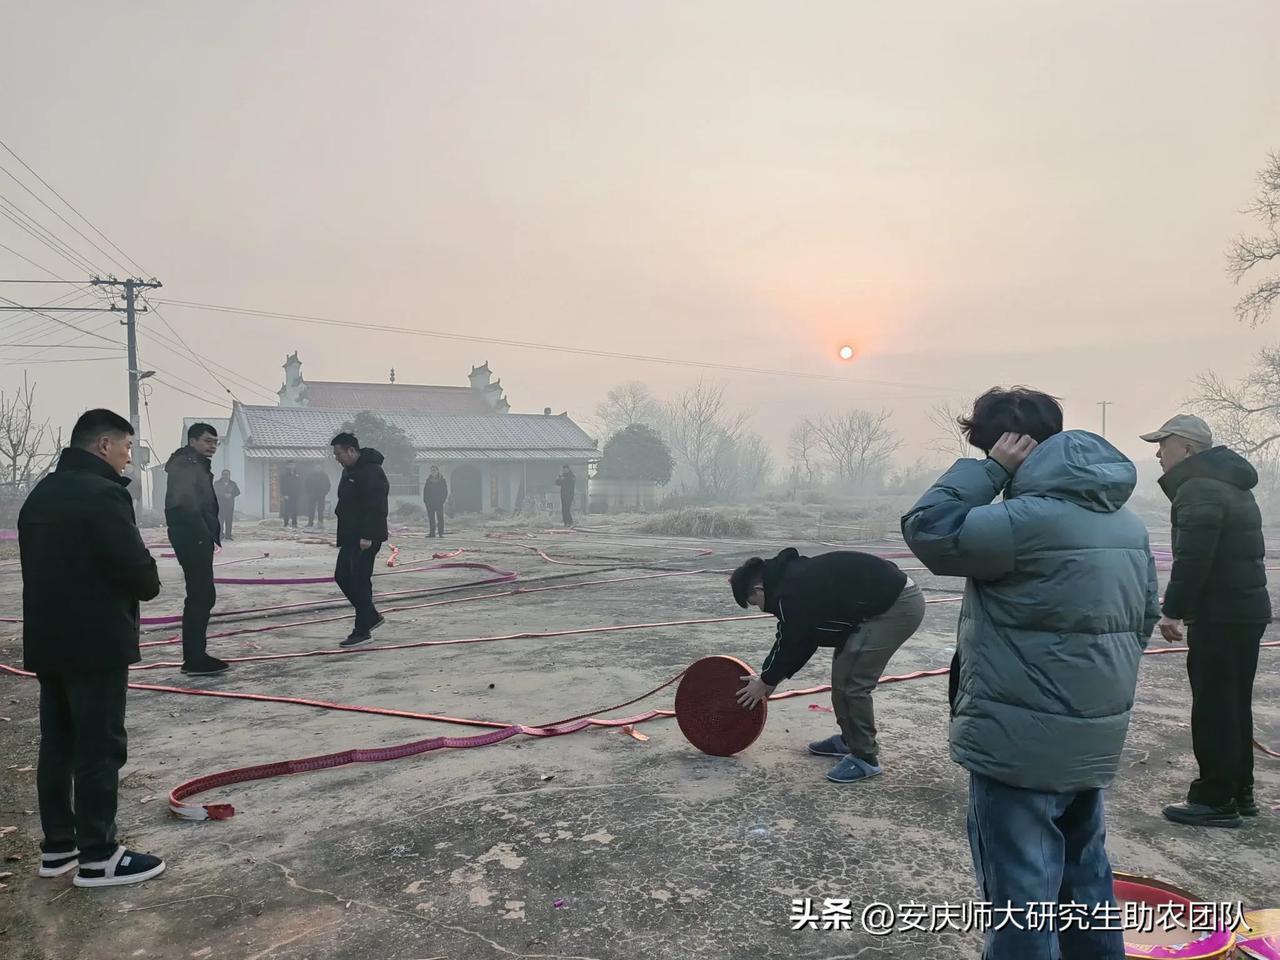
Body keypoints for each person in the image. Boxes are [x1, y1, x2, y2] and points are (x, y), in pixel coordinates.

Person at [901, 386, 1158, 960]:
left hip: (1019, 744)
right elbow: (1144, 621)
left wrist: (988, 471)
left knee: (1022, 896)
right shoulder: (1127, 525)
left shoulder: (1019, 523)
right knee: (1084, 880)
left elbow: (928, 528)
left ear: (1013, 447)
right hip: (1092, 737)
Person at [19, 409, 166, 888]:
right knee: (99, 746)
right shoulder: (103, 495)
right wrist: (149, 573)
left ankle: (58, 848)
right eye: (126, 447)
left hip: (49, 641)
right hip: (97, 643)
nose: (128, 458)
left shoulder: (41, 494)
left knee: (57, 744)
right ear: (103, 445)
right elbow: (137, 573)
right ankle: (100, 855)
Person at [1141, 414, 1272, 828]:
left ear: (1189, 449)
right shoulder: (1230, 483)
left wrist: (1173, 609)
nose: (1159, 454)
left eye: (1164, 445)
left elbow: (1195, 558)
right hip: (1244, 611)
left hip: (1220, 614)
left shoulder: (1198, 488)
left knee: (1214, 706)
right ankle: (1240, 791)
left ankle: (1215, 799)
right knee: (1233, 704)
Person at [731, 548, 924, 783]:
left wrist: (766, 681)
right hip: (880, 600)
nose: (762, 609)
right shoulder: (787, 580)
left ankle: (865, 758)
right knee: (842, 675)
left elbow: (796, 640)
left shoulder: (789, 591)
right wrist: (769, 678)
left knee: (852, 682)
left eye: (756, 603)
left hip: (895, 606)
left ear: (759, 589)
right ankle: (849, 739)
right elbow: (795, 636)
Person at [165, 422, 227, 676]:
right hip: (192, 536)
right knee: (201, 596)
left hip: (196, 536)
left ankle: (196, 655)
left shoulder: (194, 463)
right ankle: (194, 659)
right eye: (207, 441)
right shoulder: (186, 466)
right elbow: (185, 504)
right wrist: (201, 535)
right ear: (193, 441)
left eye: (215, 442)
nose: (212, 446)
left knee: (202, 595)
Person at [331, 432, 389, 647]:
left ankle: (362, 629)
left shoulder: (372, 471)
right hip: (350, 535)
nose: (336, 458)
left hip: (366, 536)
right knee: (342, 576)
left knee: (359, 580)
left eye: (339, 453)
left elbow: (376, 505)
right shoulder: (349, 470)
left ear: (351, 450)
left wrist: (367, 535)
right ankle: (370, 616)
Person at [213, 469, 240, 541]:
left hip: (230, 505)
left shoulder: (233, 483)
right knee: (220, 521)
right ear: (222, 475)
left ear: (229, 475)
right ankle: (220, 535)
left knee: (229, 521)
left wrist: (231, 495)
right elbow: (214, 492)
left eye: (227, 474)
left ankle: (228, 535)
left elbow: (237, 492)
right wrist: (223, 495)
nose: (225, 476)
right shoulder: (217, 483)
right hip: (220, 505)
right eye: (224, 474)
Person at [423, 465, 448, 538]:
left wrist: (442, 500)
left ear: (437, 471)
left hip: (439, 502)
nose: (433, 472)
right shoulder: (428, 480)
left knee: (440, 518)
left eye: (434, 470)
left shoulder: (442, 480)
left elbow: (445, 491)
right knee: (431, 518)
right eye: (432, 470)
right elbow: (425, 491)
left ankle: (440, 533)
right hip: (430, 502)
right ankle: (432, 533)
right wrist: (425, 501)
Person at [280, 461, 301, 528]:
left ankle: (294, 523)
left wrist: (298, 493)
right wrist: (284, 494)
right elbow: (282, 485)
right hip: (287, 495)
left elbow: (299, 484)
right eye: (290, 465)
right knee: (287, 509)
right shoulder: (284, 475)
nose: (292, 466)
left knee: (294, 509)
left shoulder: (297, 474)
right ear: (287, 466)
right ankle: (286, 523)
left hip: (295, 495)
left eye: (293, 465)